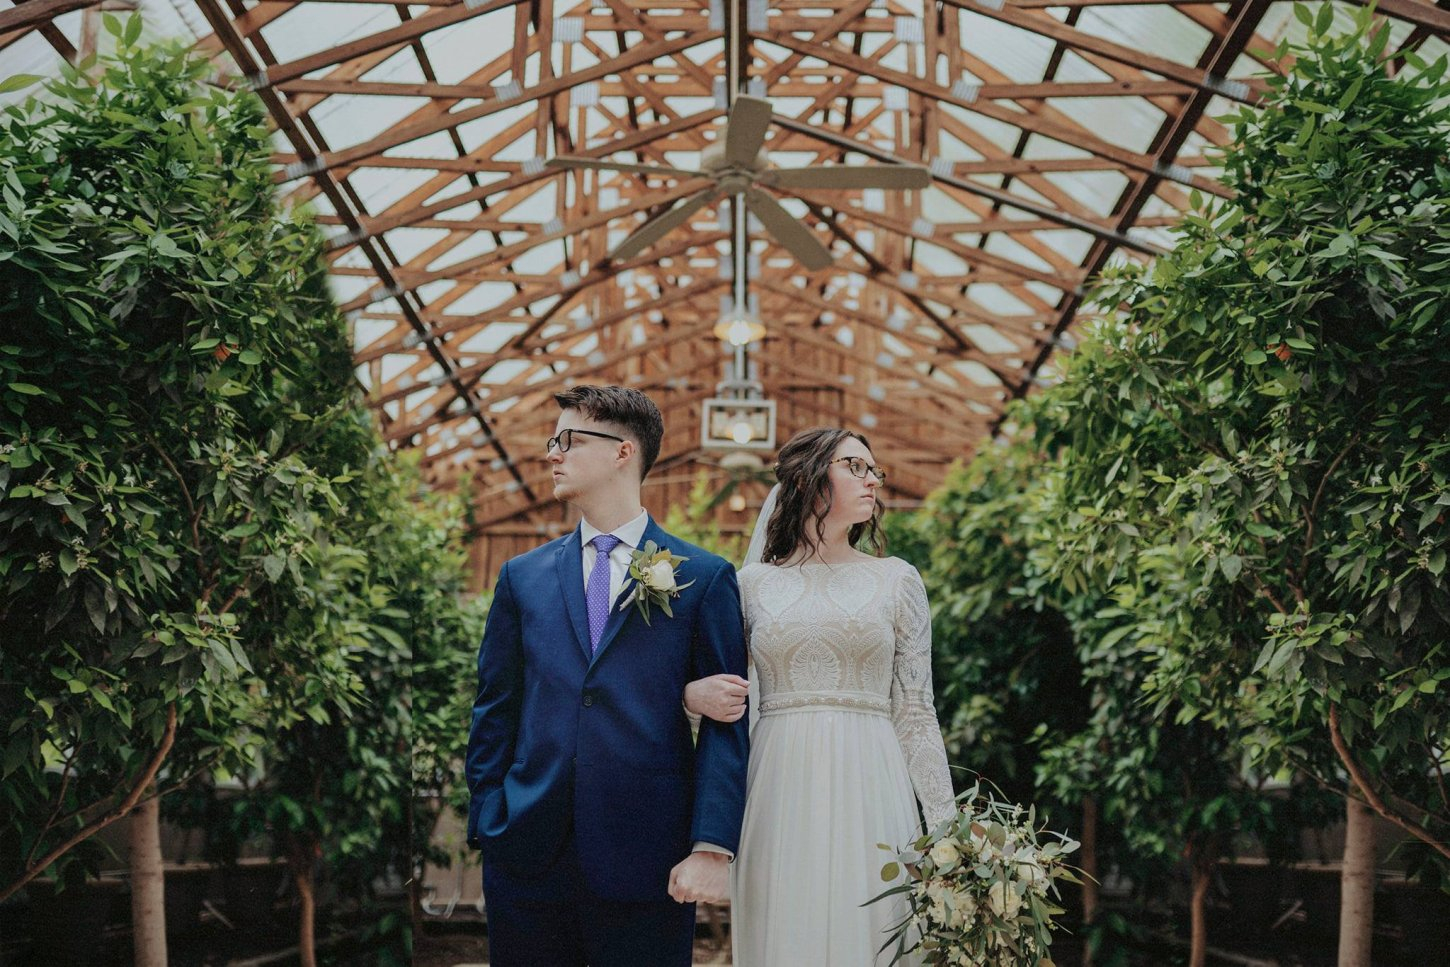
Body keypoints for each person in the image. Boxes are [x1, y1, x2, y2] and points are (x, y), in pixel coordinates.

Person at [465, 385, 749, 967]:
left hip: (650, 858)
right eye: (553, 441)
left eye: (568, 440)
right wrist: (488, 816)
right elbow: (495, 707)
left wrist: (711, 847)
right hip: (526, 851)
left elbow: (729, 720)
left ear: (623, 451)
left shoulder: (704, 577)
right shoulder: (522, 577)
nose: (553, 453)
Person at [685, 427, 955, 967]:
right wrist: (690, 695)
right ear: (810, 479)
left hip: (872, 776)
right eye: (855, 466)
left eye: (874, 470)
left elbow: (916, 711)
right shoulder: (753, 585)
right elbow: (718, 693)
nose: (871, 479)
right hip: (778, 778)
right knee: (787, 925)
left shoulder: (897, 580)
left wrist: (948, 830)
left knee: (873, 926)